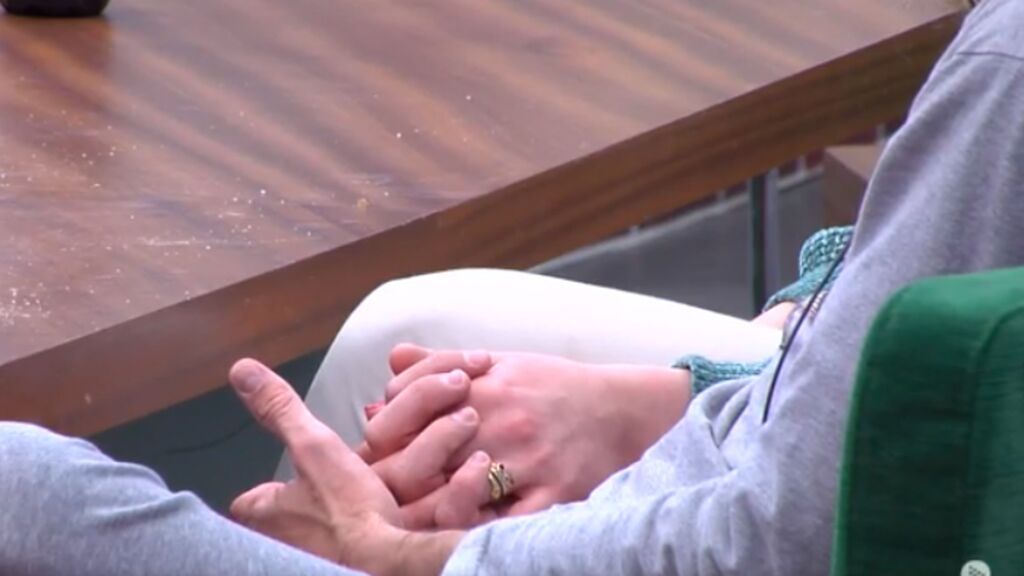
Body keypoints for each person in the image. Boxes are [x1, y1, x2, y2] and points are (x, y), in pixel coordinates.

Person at [0, 0, 1019, 573]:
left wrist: (414, 558)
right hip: (790, 430)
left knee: (24, 489)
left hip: (782, 524)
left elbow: (791, 531)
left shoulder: (1004, 66)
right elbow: (897, 276)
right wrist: (683, 389)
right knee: (406, 336)